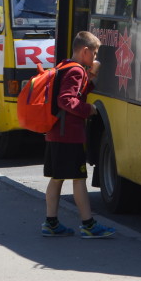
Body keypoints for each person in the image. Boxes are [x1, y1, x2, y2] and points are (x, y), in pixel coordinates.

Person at [42, 30, 115, 239]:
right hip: (70, 134)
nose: (95, 57)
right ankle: (88, 224)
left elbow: (76, 91)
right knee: (79, 178)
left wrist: (91, 76)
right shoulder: (76, 71)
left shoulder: (64, 65)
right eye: (94, 53)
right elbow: (66, 99)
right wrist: (88, 109)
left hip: (57, 131)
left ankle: (51, 222)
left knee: (57, 178)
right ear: (85, 51)